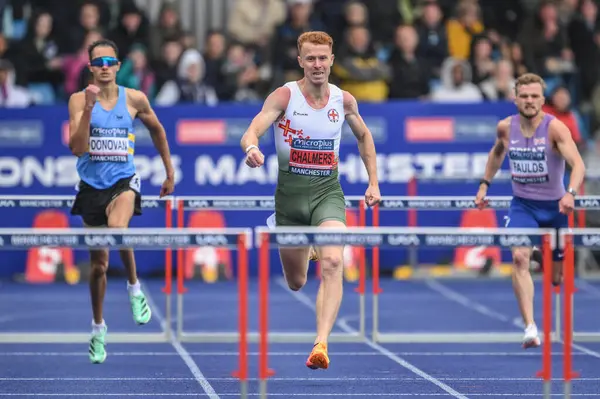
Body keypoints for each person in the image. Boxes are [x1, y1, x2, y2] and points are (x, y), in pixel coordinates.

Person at [241, 31, 380, 370]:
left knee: (334, 262)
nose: (317, 64)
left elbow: (364, 136)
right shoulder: (285, 96)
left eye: (323, 58)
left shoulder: (343, 100)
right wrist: (252, 148)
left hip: (327, 194)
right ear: (301, 61)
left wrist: (373, 182)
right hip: (289, 200)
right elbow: (255, 127)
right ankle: (307, 244)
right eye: (311, 58)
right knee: (297, 281)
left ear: (332, 60)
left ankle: (321, 343)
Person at [67, 39, 175, 364]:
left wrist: (169, 172)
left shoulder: (135, 98)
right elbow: (76, 147)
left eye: (109, 61)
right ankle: (98, 328)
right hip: (90, 186)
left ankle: (134, 286)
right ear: (90, 67)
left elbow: (158, 130)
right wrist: (88, 108)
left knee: (118, 229)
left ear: (117, 65)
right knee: (98, 265)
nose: (104, 66)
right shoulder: (77, 100)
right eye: (97, 61)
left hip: (123, 181)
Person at [475, 73, 585, 349]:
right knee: (519, 259)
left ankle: (542, 253)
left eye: (534, 96)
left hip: (556, 207)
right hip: (523, 205)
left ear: (542, 100)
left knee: (557, 278)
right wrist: (484, 185)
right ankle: (530, 327)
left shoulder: (555, 129)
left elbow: (578, 165)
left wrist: (570, 194)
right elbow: (497, 153)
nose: (529, 101)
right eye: (524, 96)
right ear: (515, 99)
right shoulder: (505, 128)